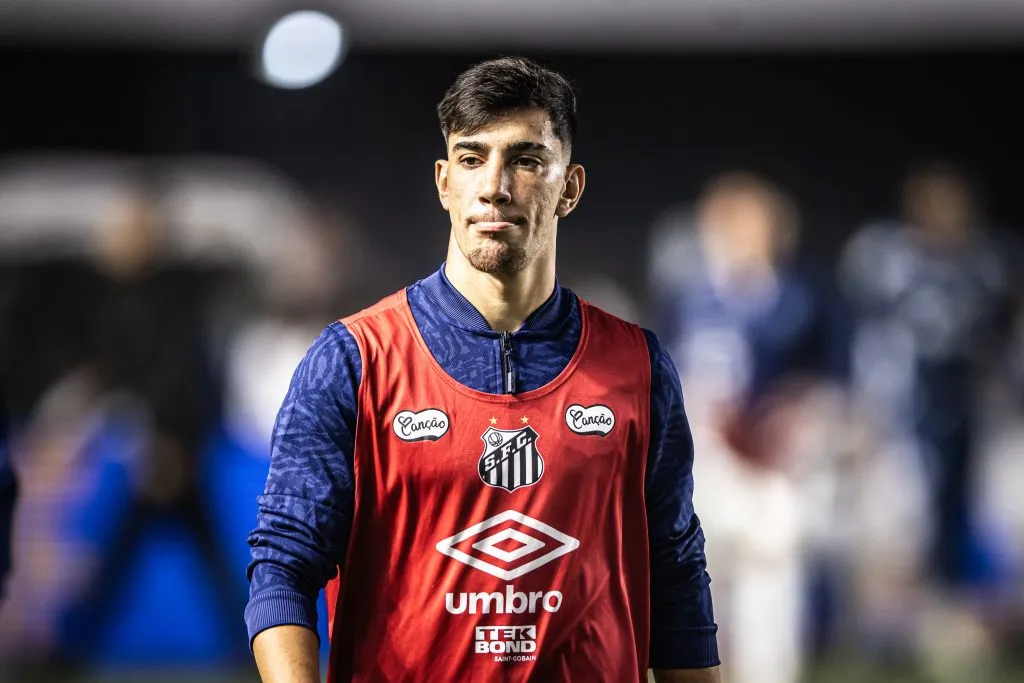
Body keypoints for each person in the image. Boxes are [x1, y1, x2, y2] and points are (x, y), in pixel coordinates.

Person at [245, 57, 720, 682]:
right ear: (445, 182)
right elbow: (283, 564)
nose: (495, 186)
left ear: (570, 188)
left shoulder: (638, 367)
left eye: (526, 160)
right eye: (472, 159)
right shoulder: (354, 360)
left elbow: (675, 573)